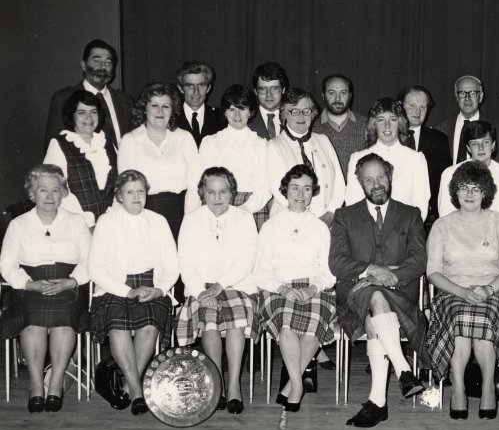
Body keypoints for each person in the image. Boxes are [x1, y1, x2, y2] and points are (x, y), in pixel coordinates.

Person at [330, 154, 428, 428]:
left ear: (390, 177)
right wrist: (371, 269)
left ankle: (378, 403)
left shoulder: (411, 214)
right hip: (355, 293)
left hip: (399, 294)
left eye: (381, 177)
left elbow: (419, 260)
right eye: (369, 179)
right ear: (360, 182)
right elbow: (336, 262)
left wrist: (389, 276)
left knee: (376, 311)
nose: (376, 184)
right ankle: (404, 370)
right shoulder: (345, 216)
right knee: (373, 295)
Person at [427, 161, 499, 420]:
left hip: (493, 291)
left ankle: (488, 386)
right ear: (455, 192)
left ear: (485, 193)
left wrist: (488, 289)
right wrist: (461, 291)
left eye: (476, 189)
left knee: (482, 318)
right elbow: (433, 271)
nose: (469, 194)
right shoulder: (442, 226)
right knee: (460, 319)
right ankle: (458, 389)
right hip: (451, 291)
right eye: (464, 188)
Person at [0, 165, 91, 413]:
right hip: (30, 284)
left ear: (62, 194)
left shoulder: (76, 222)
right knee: (33, 322)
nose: (49, 196)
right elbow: (6, 265)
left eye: (55, 190)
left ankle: (56, 383)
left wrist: (71, 281)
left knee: (63, 321)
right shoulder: (18, 225)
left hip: (69, 283)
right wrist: (29, 284)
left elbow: (89, 260)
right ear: (32, 193)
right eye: (43, 190)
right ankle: (36, 385)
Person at [89, 170, 179, 416]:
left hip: (151, 285)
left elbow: (172, 265)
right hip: (115, 286)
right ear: (119, 196)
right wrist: (127, 292)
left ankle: (129, 386)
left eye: (141, 191)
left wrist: (159, 288)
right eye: (130, 192)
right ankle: (138, 392)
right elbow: (95, 268)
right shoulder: (107, 222)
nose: (137, 197)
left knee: (149, 324)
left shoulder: (158, 220)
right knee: (117, 324)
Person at [254, 165, 337, 412]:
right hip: (279, 289)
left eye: (307, 188)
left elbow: (329, 271)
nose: (300, 194)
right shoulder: (270, 227)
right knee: (287, 326)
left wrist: (313, 289)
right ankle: (298, 386)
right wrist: (282, 289)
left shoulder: (321, 228)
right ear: (285, 191)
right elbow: (261, 271)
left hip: (314, 288)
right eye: (295, 188)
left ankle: (292, 382)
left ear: (314, 192)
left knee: (311, 332)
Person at [175, 167, 258, 414]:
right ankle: (217, 382)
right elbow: (185, 260)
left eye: (223, 192)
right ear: (202, 193)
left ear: (232, 193)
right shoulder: (191, 219)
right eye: (211, 192)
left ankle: (233, 386)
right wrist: (201, 292)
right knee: (209, 320)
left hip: (236, 285)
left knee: (235, 320)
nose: (217, 198)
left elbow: (246, 259)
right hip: (201, 287)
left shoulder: (243, 218)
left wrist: (219, 286)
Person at [118, 82, 198, 240]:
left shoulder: (185, 138)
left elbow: (195, 182)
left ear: (172, 110)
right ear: (144, 108)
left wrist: (190, 219)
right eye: (154, 105)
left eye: (166, 106)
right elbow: (126, 186)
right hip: (146, 212)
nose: (160, 111)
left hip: (181, 212)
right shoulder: (130, 140)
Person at [185, 84, 272, 229]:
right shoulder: (210, 142)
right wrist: (191, 219)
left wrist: (244, 210)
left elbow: (265, 188)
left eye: (242, 109)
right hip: (215, 209)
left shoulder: (262, 145)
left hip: (253, 211)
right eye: (231, 109)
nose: (237, 115)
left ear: (250, 112)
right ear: (224, 113)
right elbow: (196, 182)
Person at [265, 88, 344, 227]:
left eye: (306, 111)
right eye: (294, 111)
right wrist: (307, 221)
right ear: (284, 115)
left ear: (313, 114)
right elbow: (279, 192)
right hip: (290, 222)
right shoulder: (274, 146)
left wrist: (331, 213)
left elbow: (339, 184)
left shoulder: (323, 140)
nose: (301, 116)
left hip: (327, 222)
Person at [43, 90, 117, 228]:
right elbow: (54, 189)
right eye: (82, 112)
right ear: (72, 116)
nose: (89, 118)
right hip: (75, 225)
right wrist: (86, 224)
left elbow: (119, 185)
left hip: (111, 225)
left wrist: (111, 219)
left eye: (93, 112)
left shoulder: (108, 143)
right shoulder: (59, 144)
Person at [345, 98, 430, 217]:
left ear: (400, 123)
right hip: (366, 231)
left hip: (404, 231)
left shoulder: (416, 159)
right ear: (373, 124)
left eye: (393, 119)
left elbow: (420, 206)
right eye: (381, 120)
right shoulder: (357, 158)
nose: (387, 126)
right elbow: (352, 203)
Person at [45, 39, 135, 149]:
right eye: (96, 61)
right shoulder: (63, 98)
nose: (103, 67)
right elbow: (52, 148)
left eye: (108, 62)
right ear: (83, 65)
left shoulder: (125, 100)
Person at [438, 121, 499, 223]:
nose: (481, 148)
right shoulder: (449, 173)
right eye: (474, 144)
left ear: (493, 145)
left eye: (486, 142)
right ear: (468, 148)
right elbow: (446, 216)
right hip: (458, 234)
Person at [398, 85, 450, 227]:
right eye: (412, 106)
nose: (417, 111)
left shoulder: (439, 139)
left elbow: (445, 180)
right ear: (401, 106)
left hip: (430, 218)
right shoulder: (390, 137)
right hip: (395, 214)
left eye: (423, 107)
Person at [313, 74, 367, 173]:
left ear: (350, 95)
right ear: (323, 95)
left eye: (343, 92)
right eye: (331, 92)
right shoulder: (312, 128)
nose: (337, 98)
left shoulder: (366, 125)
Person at [435, 75, 492, 164]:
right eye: (462, 93)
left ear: (480, 97)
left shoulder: (493, 127)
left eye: (473, 93)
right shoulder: (441, 129)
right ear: (456, 97)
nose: (467, 98)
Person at [175, 61, 226, 147]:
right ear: (181, 88)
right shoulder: (170, 118)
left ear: (208, 88)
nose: (196, 92)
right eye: (190, 86)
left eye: (201, 85)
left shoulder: (222, 118)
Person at [248, 62, 290, 140]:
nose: (269, 94)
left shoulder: (295, 117)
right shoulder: (245, 120)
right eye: (263, 89)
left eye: (274, 88)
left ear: (283, 90)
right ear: (256, 91)